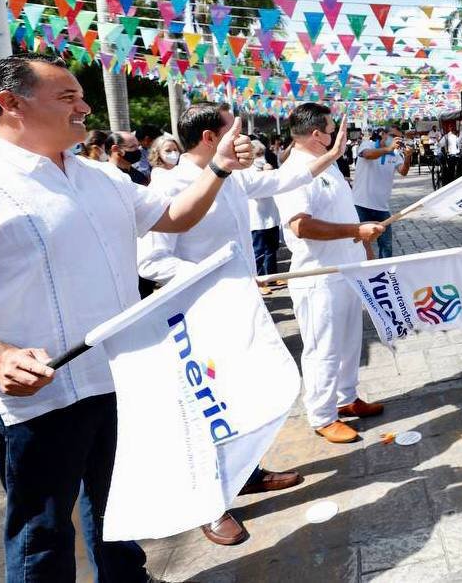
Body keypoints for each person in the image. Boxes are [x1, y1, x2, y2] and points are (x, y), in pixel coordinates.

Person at [0, 54, 254, 582]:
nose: (86, 107)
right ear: (10, 104)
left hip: (111, 379)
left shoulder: (100, 177)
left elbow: (173, 214)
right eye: (68, 97)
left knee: (116, 507)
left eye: (82, 96)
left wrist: (220, 167)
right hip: (35, 401)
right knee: (41, 537)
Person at [138, 101, 347, 546]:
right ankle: (210, 506)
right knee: (205, 410)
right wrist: (216, 280)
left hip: (238, 306)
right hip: (196, 313)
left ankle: (247, 473)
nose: (248, 140)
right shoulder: (167, 185)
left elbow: (279, 179)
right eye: (237, 131)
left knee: (241, 400)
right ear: (211, 138)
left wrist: (330, 155)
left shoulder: (230, 177)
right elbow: (152, 260)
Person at [276, 103, 386, 445]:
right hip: (318, 275)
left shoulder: (328, 164)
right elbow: (301, 226)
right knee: (323, 347)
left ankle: (347, 397)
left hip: (346, 267)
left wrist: (362, 245)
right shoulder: (294, 171)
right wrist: (356, 228)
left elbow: (343, 210)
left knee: (350, 340)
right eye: (331, 129)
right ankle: (323, 415)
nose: (337, 136)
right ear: (316, 134)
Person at [353, 124, 412, 259]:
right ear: (383, 134)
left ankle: (385, 273)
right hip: (360, 204)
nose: (395, 140)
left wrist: (408, 157)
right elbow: (367, 155)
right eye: (392, 136)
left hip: (382, 207)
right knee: (360, 243)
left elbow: (403, 171)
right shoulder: (367, 144)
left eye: (399, 138)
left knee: (386, 245)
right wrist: (388, 149)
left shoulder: (395, 154)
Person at [250, 139, 282, 282]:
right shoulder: (247, 171)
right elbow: (257, 191)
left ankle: (272, 276)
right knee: (258, 250)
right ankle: (260, 280)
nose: (261, 157)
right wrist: (266, 174)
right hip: (256, 218)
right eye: (257, 154)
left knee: (272, 248)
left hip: (271, 215)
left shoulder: (267, 167)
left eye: (262, 153)